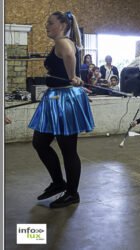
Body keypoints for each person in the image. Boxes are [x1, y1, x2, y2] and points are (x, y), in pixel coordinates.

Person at [29, 11, 94, 208]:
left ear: (63, 25)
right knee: (40, 142)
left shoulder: (63, 42)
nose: (46, 26)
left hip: (64, 100)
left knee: (68, 150)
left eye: (50, 23)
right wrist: (73, 78)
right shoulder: (62, 41)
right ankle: (58, 182)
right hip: (57, 98)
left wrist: (73, 76)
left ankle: (72, 193)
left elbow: (68, 54)